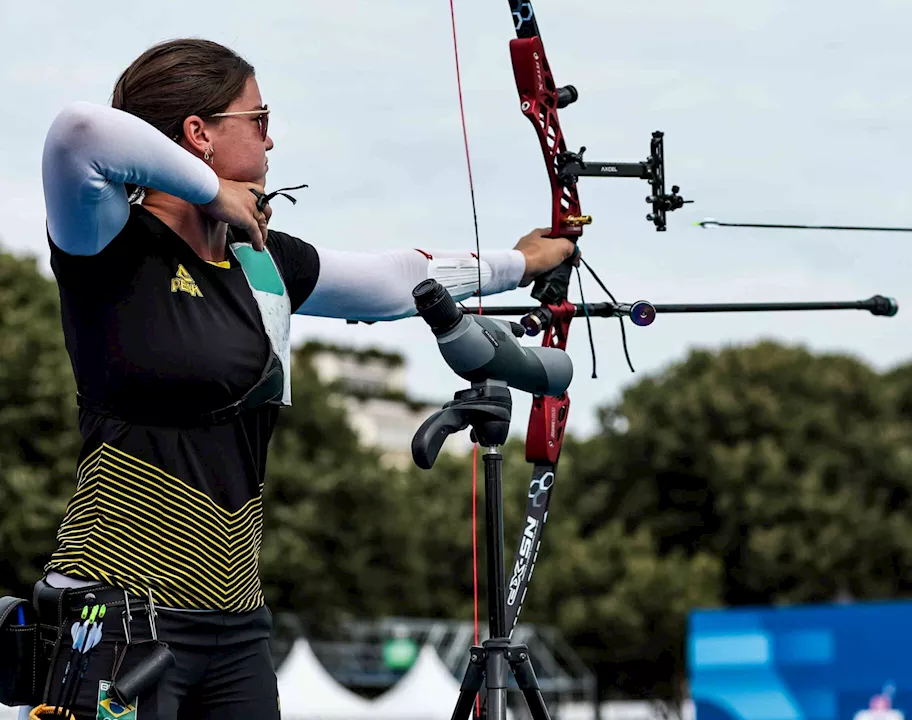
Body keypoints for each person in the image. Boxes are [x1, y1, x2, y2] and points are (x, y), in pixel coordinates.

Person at [21, 37, 576, 720]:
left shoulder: (261, 262)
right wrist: (210, 191)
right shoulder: (109, 239)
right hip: (118, 619)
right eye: (257, 120)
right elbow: (79, 132)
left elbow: (399, 277)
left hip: (236, 628)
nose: (271, 140)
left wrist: (519, 263)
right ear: (198, 134)